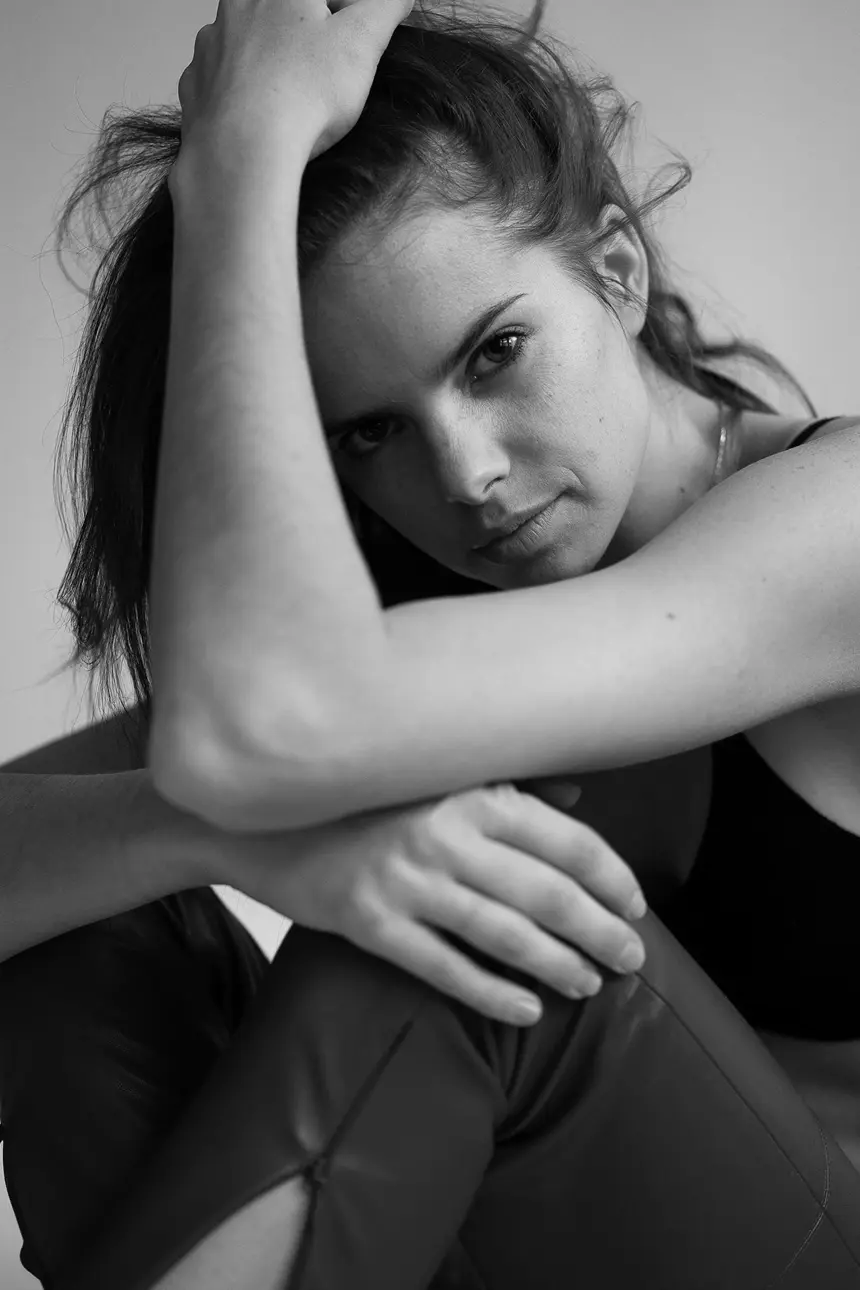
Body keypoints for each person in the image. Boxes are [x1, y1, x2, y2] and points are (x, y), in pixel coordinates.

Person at [2, 0, 860, 1285]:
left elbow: (258, 725)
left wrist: (237, 160)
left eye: (495, 353)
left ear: (615, 271)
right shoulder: (423, 617)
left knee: (482, 941)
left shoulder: (832, 524)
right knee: (89, 928)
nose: (463, 476)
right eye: (367, 432)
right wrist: (228, 834)